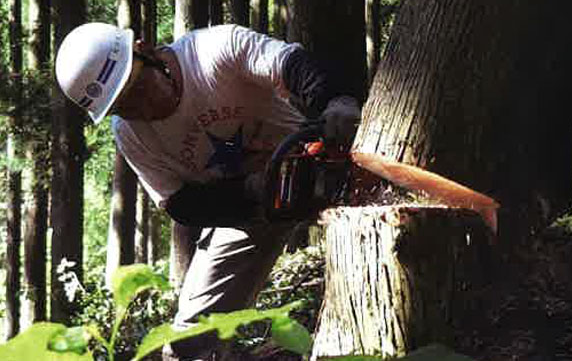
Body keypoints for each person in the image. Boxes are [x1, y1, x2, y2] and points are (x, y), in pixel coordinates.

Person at [55, 22, 361, 360]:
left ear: (144, 50)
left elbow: (295, 67)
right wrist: (251, 193)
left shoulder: (214, 51)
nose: (142, 109)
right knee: (190, 343)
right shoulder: (131, 135)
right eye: (124, 107)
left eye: (139, 90)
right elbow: (181, 204)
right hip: (252, 210)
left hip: (320, 160)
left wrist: (337, 103)